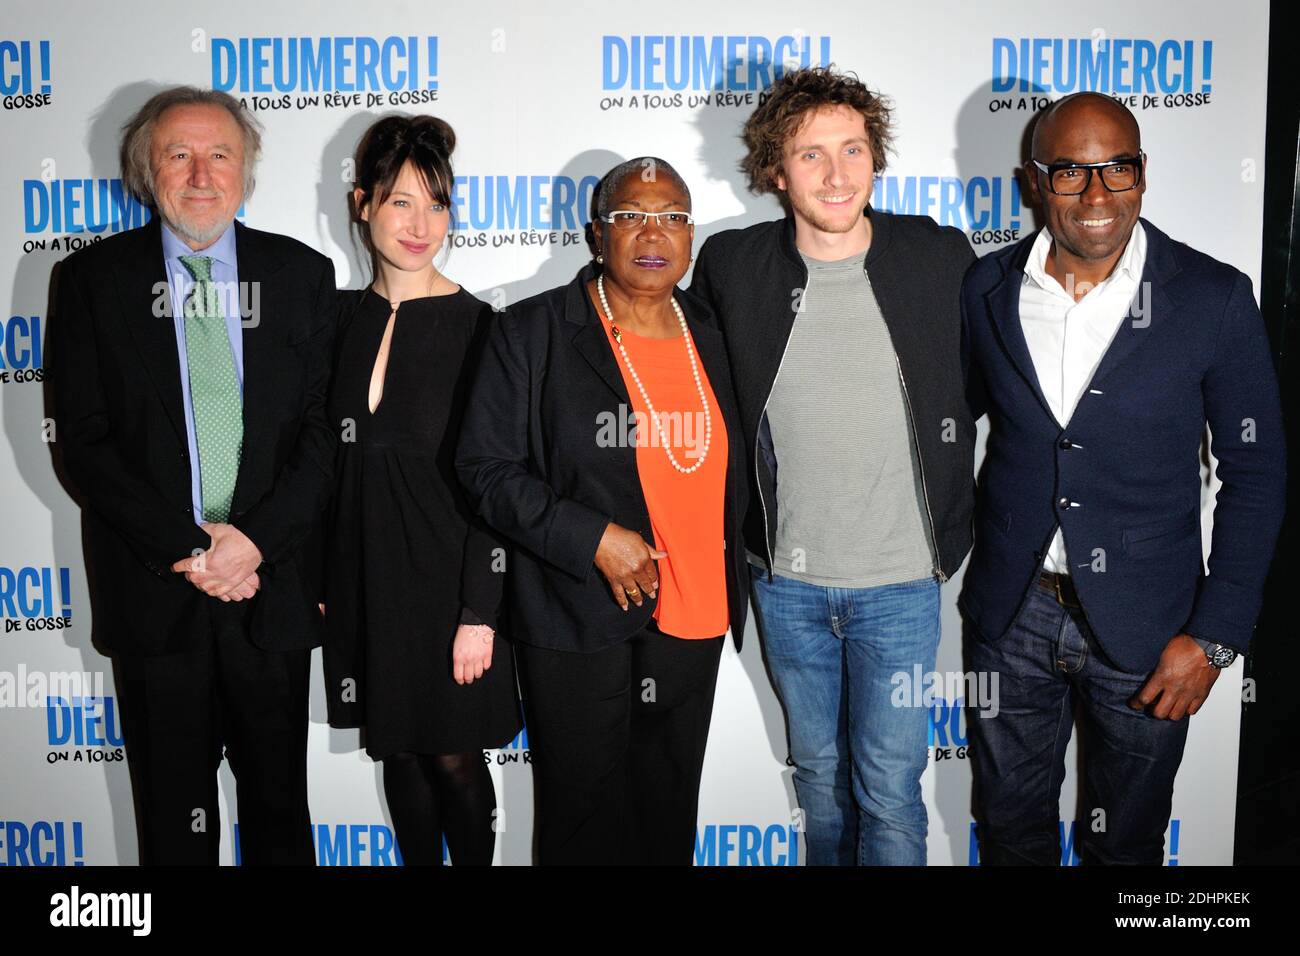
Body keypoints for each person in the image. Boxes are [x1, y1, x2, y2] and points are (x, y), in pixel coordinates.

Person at [960, 91, 1286, 865]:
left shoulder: (1212, 297)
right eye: (1071, 172)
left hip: (1153, 628)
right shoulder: (986, 290)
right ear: (1033, 182)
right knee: (1010, 835)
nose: (1098, 195)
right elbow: (944, 426)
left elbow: (1258, 470)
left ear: (1144, 174)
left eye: (1119, 170)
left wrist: (1214, 637)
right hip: (1014, 615)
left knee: (1128, 847)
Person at [689, 66, 976, 865]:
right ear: (775, 171)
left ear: (875, 159)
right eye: (811, 155)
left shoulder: (936, 256)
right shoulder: (734, 266)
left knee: (890, 791)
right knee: (819, 780)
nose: (838, 173)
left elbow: (985, 389)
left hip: (901, 582)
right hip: (787, 585)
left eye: (853, 149)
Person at [46, 86, 336, 864]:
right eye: (179, 154)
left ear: (246, 171)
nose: (201, 175)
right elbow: (83, 441)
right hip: (155, 592)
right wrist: (194, 548)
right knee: (173, 823)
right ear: (148, 168)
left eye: (220, 155)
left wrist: (253, 546)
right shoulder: (91, 281)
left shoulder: (302, 274)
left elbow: (321, 435)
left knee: (280, 815)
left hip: (267, 590)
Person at [456, 157, 749, 864]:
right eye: (632, 216)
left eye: (674, 216)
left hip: (694, 614)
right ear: (596, 233)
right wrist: (591, 539)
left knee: (667, 811)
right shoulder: (533, 331)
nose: (655, 232)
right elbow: (483, 469)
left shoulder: (713, 330)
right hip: (576, 609)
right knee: (581, 820)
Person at [321, 114, 520, 866]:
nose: (421, 224)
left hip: (451, 585)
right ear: (362, 205)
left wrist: (480, 612)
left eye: (437, 204)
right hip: (365, 579)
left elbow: (500, 482)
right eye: (401, 201)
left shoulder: (483, 330)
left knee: (454, 759)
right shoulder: (336, 321)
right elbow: (319, 463)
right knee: (398, 755)